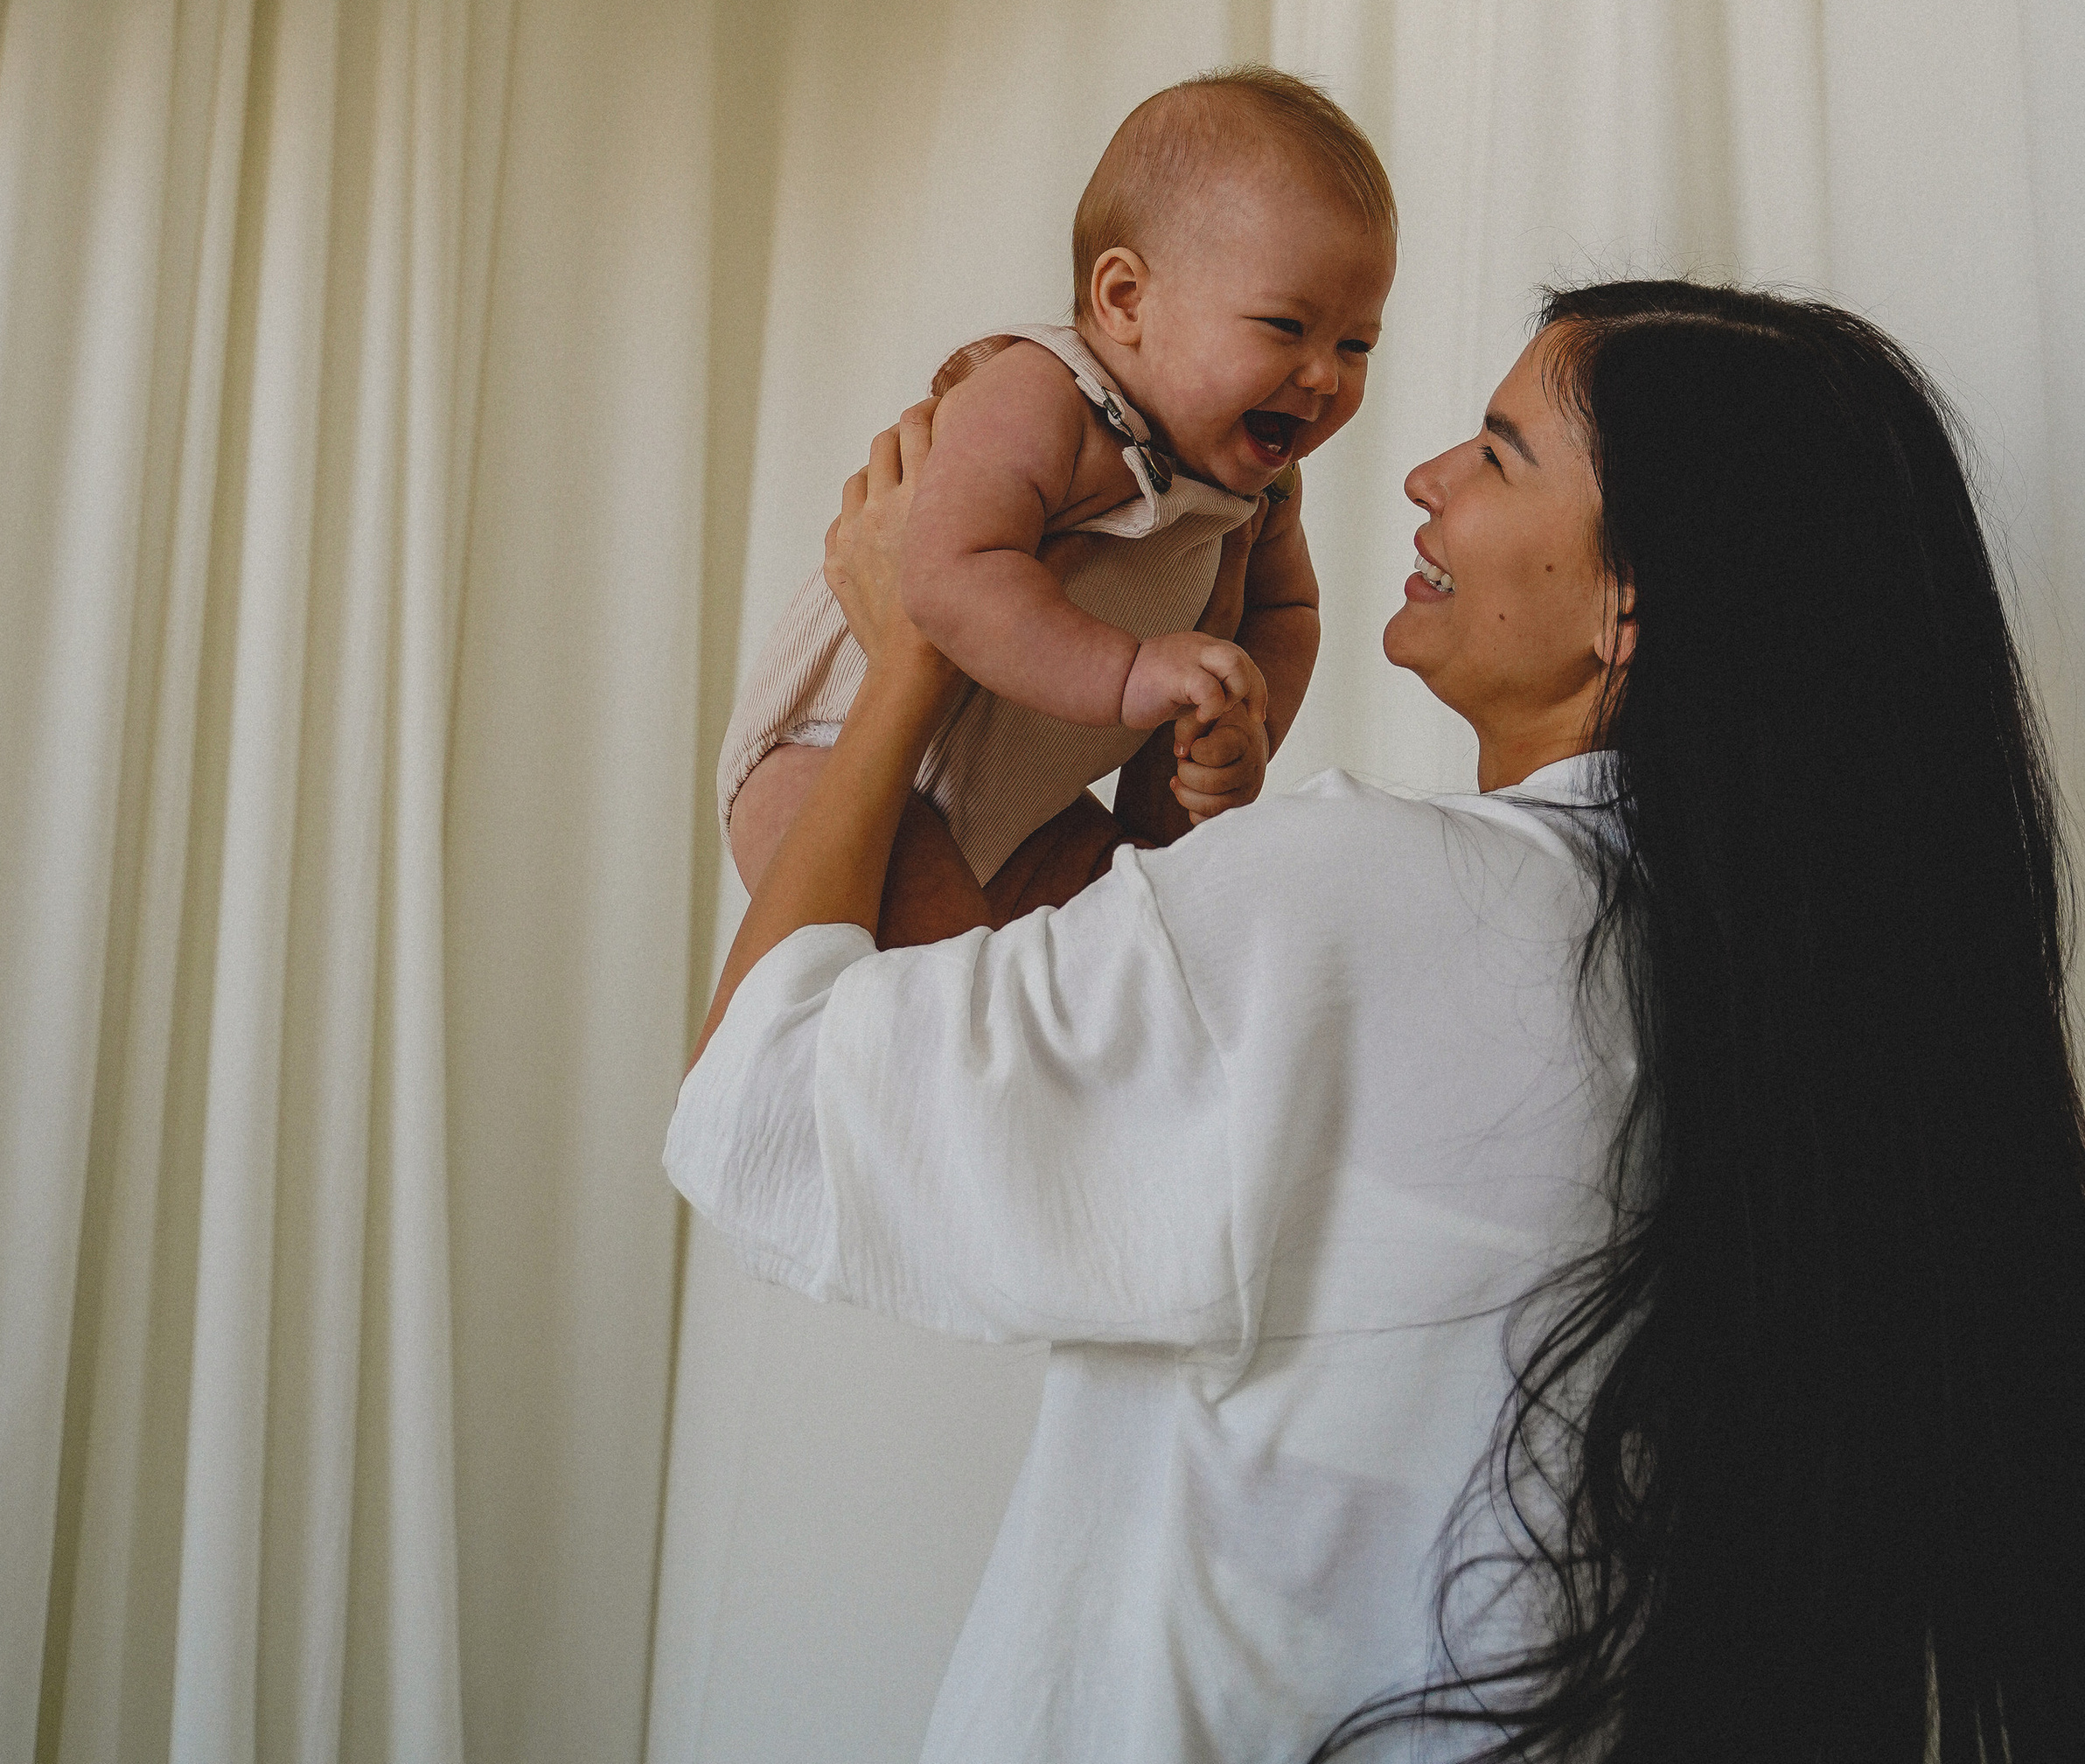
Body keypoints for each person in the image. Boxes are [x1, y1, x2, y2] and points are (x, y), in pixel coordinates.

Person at [668, 282, 2085, 1764]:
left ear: (1632, 604)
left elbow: (766, 1106)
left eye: (1496, 450)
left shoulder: (1359, 907)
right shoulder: (1812, 1033)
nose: (1421, 475)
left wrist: (909, 650)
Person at [718, 68, 1397, 939]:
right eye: (1284, 327)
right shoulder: (1044, 396)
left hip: (1028, 813)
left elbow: (1287, 613)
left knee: (1145, 949)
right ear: (1125, 301)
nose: (1324, 376)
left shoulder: (1260, 489)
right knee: (959, 994)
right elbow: (948, 573)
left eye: (1356, 343)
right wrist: (1131, 674)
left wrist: (1243, 728)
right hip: (828, 756)